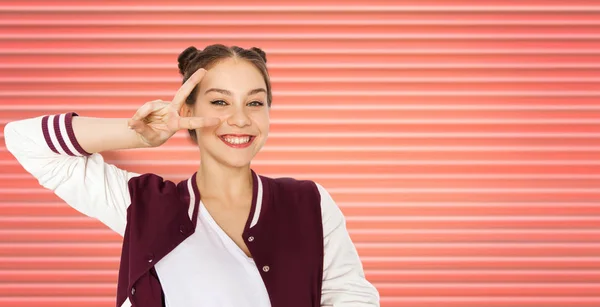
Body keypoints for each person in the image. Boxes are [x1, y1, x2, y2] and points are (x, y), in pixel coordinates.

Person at [4, 44, 380, 307]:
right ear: (188, 111)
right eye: (219, 102)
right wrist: (138, 134)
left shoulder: (309, 202)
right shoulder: (142, 205)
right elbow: (24, 139)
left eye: (254, 102)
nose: (240, 119)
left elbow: (351, 297)